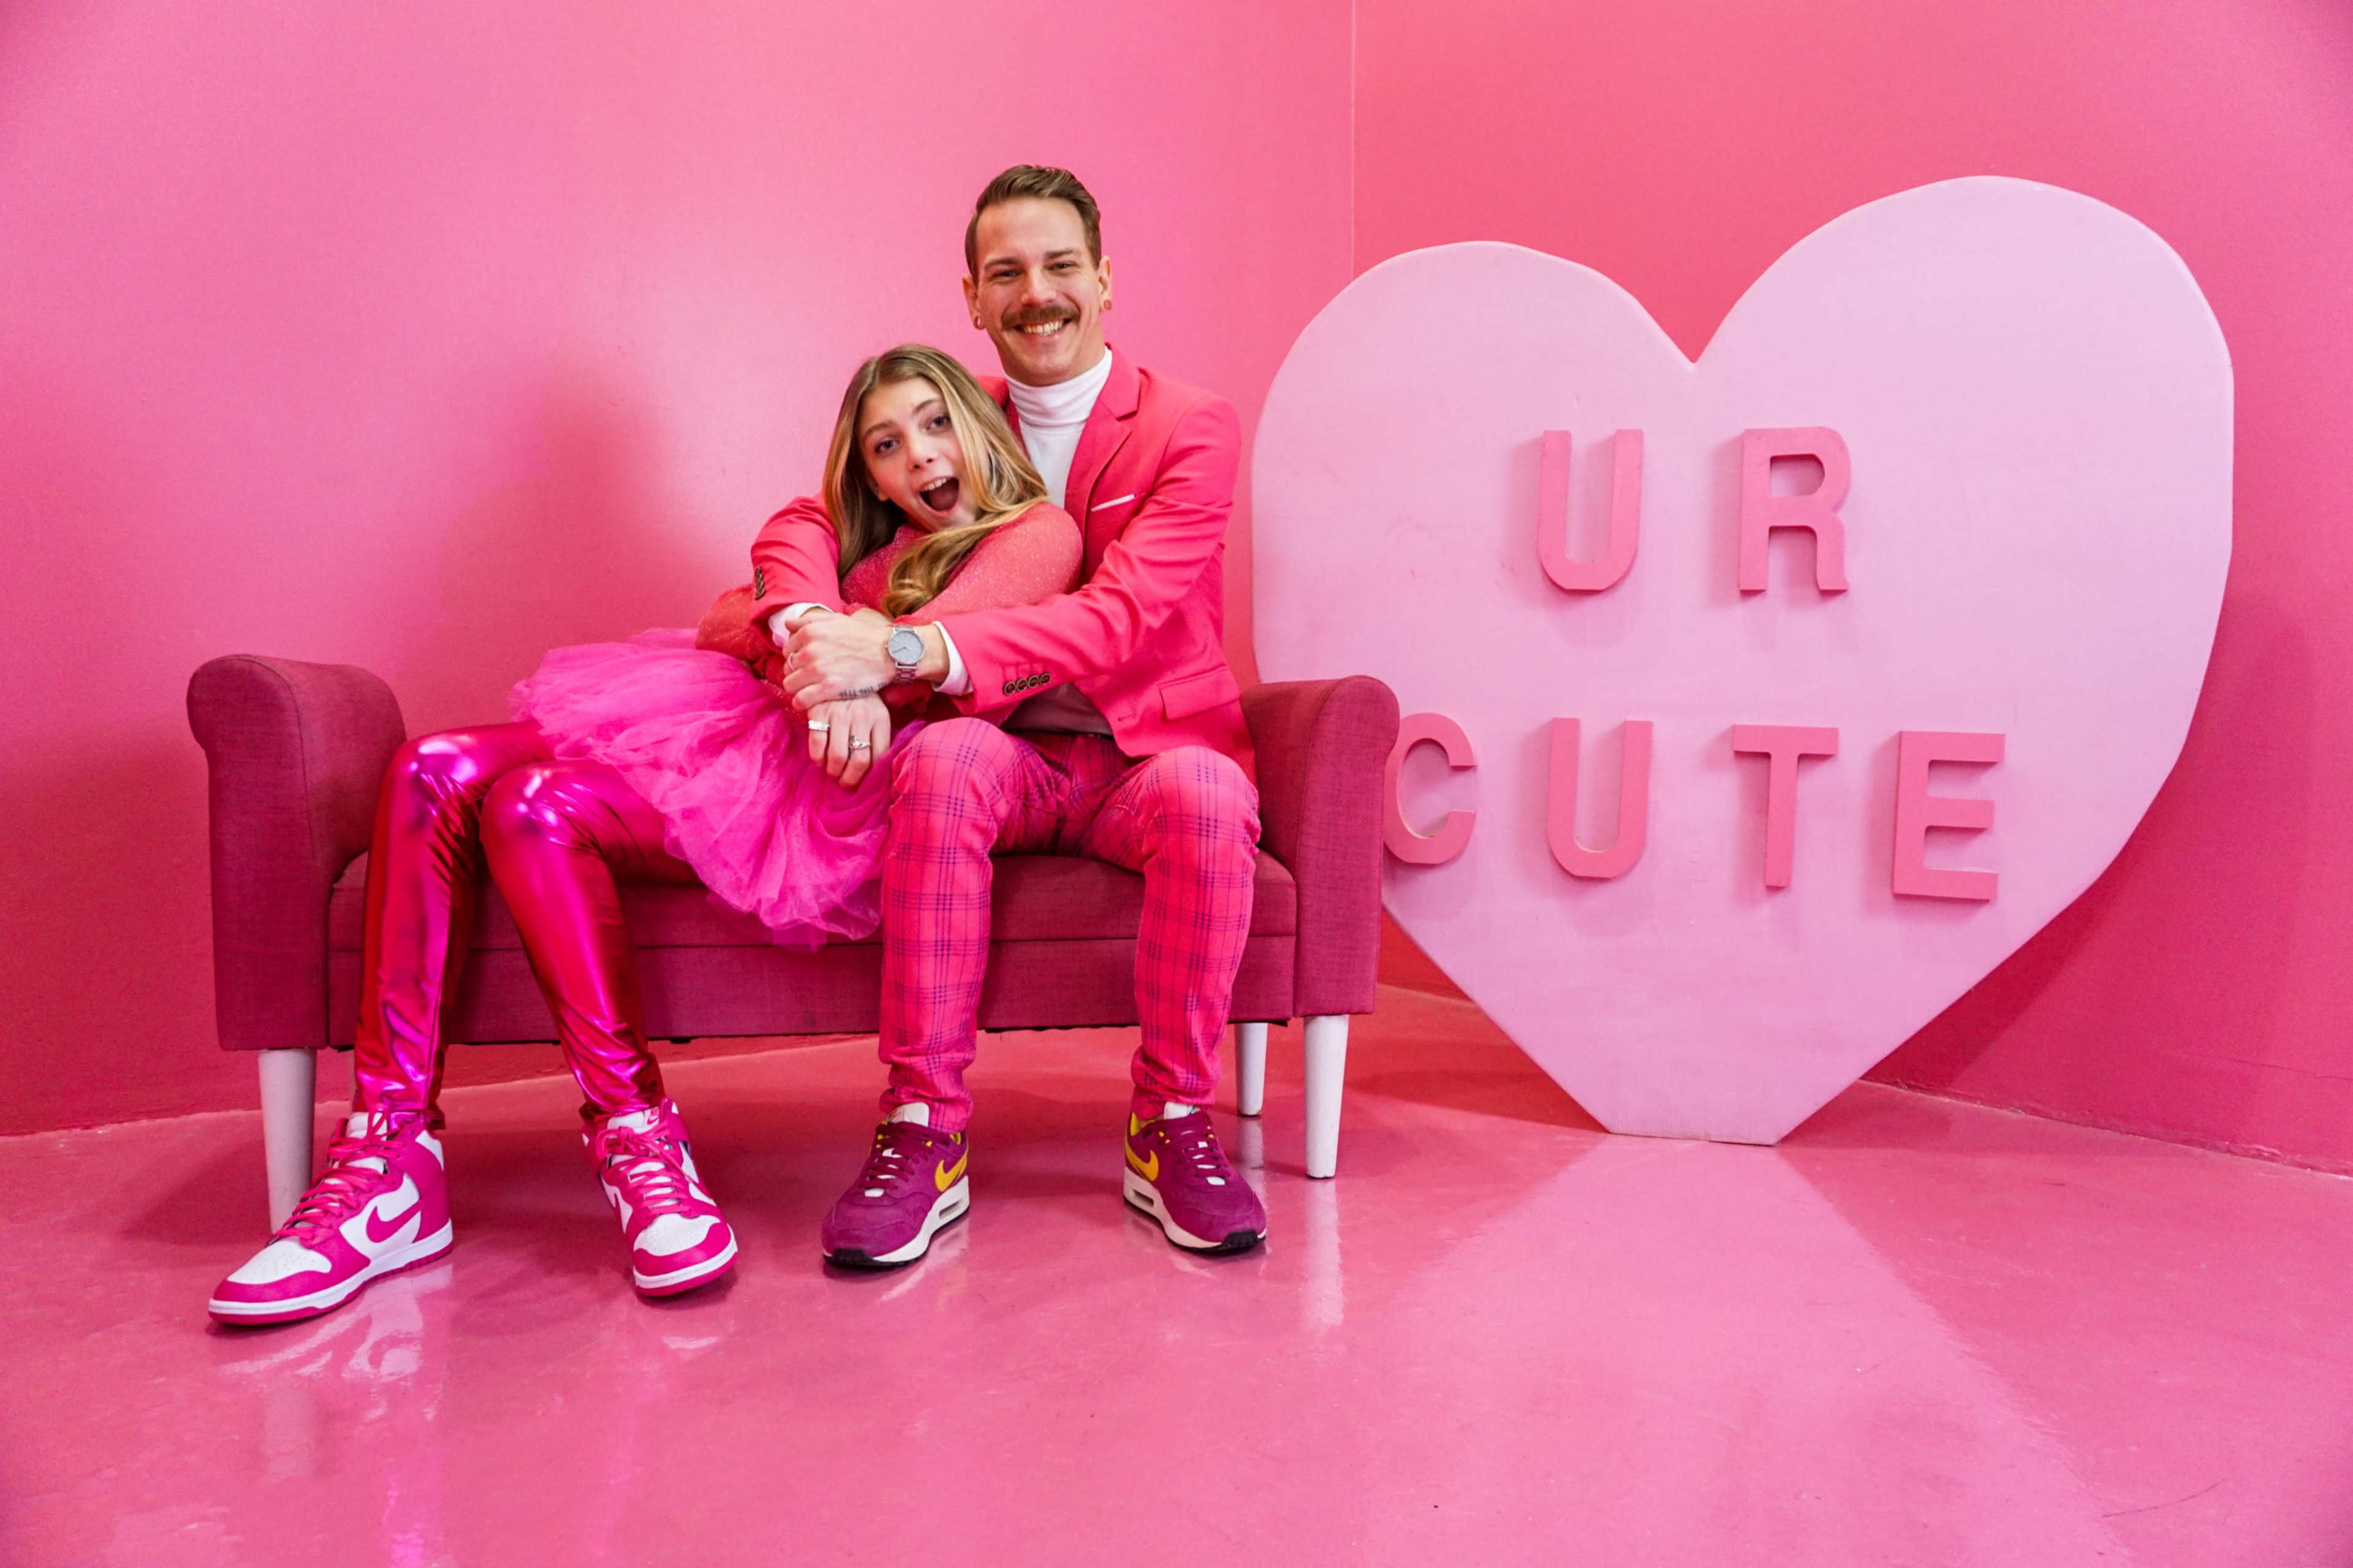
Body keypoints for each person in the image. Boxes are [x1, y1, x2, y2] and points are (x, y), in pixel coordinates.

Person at [207, 347, 1080, 1324]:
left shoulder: (1039, 533)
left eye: (932, 423)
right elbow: (725, 618)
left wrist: (846, 650)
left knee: (524, 803)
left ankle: (631, 1147)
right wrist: (808, 634)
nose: (918, 456)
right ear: (867, 473)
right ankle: (407, 1158)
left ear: (975, 423)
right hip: (739, 730)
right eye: (886, 444)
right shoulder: (845, 543)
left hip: (853, 794)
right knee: (438, 771)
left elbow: (933, 649)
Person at [754, 165, 1270, 1267]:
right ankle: (922, 1128)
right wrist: (811, 624)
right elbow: (810, 510)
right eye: (1007, 273)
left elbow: (1120, 615)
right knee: (940, 758)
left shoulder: (1192, 425)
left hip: (1144, 758)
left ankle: (1171, 1122)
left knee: (1212, 793)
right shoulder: (951, 412)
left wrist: (900, 648)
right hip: (1002, 755)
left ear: (1105, 279)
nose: (1038, 292)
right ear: (974, 298)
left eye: (1060, 266)